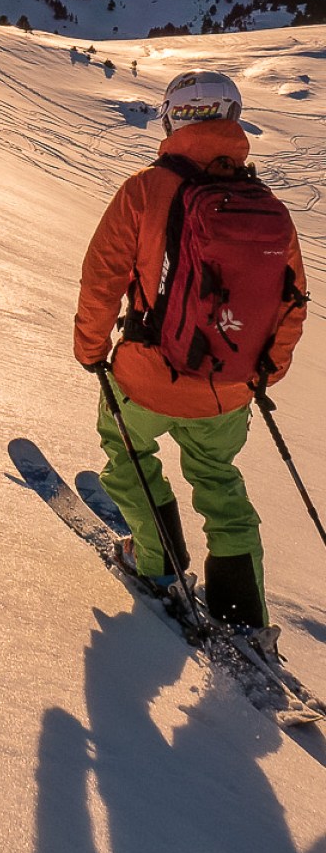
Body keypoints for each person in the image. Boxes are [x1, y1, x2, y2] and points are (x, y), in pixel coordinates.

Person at [73, 70, 308, 630]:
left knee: (126, 453)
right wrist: (264, 371)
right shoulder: (265, 204)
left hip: (145, 376)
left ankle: (158, 565)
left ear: (172, 118)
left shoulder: (145, 191)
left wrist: (90, 349)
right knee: (219, 481)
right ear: (233, 117)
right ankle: (244, 612)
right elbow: (291, 299)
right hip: (229, 387)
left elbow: (103, 278)